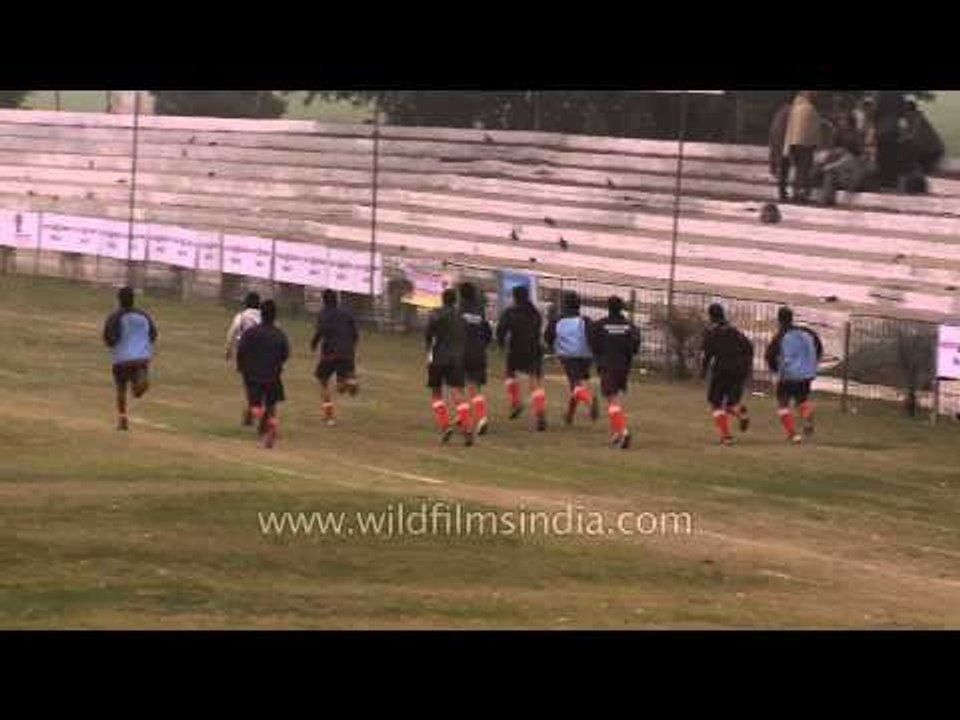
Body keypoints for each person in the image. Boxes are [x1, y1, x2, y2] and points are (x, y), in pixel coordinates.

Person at [102, 286, 158, 431]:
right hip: (141, 359)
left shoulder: (115, 317)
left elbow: (108, 338)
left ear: (119, 299)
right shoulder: (144, 316)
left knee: (121, 389)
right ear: (133, 299)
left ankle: (122, 419)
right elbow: (153, 335)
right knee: (138, 386)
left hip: (121, 359)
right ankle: (140, 384)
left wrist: (115, 344)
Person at [765, 306, 823, 444]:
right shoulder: (807, 332)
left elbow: (769, 356)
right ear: (792, 318)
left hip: (788, 375)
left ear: (779, 320)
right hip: (806, 374)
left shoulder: (780, 336)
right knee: (801, 400)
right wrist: (812, 364)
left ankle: (793, 435)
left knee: (783, 404)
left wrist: (775, 370)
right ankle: (807, 416)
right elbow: (818, 347)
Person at [589, 295, 641, 449]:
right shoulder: (630, 326)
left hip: (607, 365)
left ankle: (624, 432)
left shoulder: (600, 325)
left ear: (608, 308)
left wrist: (600, 356)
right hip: (623, 367)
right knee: (615, 397)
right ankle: (617, 433)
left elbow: (594, 345)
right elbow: (635, 346)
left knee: (612, 400)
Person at [237, 300, 290, 449]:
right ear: (275, 315)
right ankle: (271, 424)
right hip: (273, 375)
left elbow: (241, 351)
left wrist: (242, 366)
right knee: (271, 404)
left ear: (262, 314)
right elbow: (285, 354)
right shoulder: (280, 334)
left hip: (253, 374)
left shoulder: (251, 332)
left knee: (255, 406)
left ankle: (269, 426)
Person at [700, 303, 754, 446]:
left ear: (711, 316)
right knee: (731, 404)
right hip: (739, 371)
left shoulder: (712, 332)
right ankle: (740, 413)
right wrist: (746, 366)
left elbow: (707, 354)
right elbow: (749, 347)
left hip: (722, 370)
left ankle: (726, 436)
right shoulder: (735, 330)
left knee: (716, 404)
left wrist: (703, 371)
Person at [496, 284, 548, 431]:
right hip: (534, 350)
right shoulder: (535, 313)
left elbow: (501, 330)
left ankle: (516, 402)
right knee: (535, 382)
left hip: (516, 350)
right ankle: (540, 411)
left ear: (515, 297)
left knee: (510, 375)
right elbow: (538, 330)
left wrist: (500, 343)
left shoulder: (510, 312)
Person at [426, 288, 473, 445]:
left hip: (438, 357)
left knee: (436, 392)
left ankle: (445, 425)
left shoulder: (436, 313)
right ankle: (467, 427)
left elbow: (429, 333)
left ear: (443, 299)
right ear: (455, 301)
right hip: (456, 359)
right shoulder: (462, 317)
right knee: (458, 393)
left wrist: (428, 348)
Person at [545, 291, 600, 426]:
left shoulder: (557, 320)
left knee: (576, 385)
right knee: (577, 385)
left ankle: (589, 402)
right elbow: (593, 337)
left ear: (564, 305)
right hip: (586, 357)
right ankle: (569, 415)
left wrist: (553, 349)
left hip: (568, 355)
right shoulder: (585, 320)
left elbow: (548, 337)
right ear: (578, 305)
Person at [310, 289, 359, 427]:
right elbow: (355, 334)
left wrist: (313, 343)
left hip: (330, 352)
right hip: (347, 352)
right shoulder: (347, 313)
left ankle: (329, 416)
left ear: (324, 301)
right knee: (340, 388)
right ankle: (350, 381)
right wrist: (350, 348)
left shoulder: (323, 314)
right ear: (337, 299)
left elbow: (320, 331)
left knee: (322, 380)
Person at [458, 282, 493, 436]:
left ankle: (470, 416)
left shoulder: (459, 311)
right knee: (475, 387)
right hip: (479, 351)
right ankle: (480, 417)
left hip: (463, 351)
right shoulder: (480, 310)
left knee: (459, 385)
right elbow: (487, 332)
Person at [225, 292, 262, 426]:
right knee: (259, 383)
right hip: (263, 355)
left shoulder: (241, 316)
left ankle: (253, 412)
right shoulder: (265, 316)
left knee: (249, 384)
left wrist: (228, 350)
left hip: (245, 355)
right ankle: (252, 411)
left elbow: (232, 333)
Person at [782, 91, 823, 203]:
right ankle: (801, 194)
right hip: (806, 144)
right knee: (804, 170)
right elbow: (815, 129)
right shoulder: (811, 109)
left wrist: (787, 145)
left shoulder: (795, 109)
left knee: (798, 170)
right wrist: (817, 144)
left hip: (794, 143)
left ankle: (797, 193)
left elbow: (790, 128)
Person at [769, 95, 794, 201]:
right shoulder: (789, 112)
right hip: (783, 142)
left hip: (777, 142)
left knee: (781, 167)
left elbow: (774, 130)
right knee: (784, 168)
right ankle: (782, 192)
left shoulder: (779, 113)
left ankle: (782, 192)